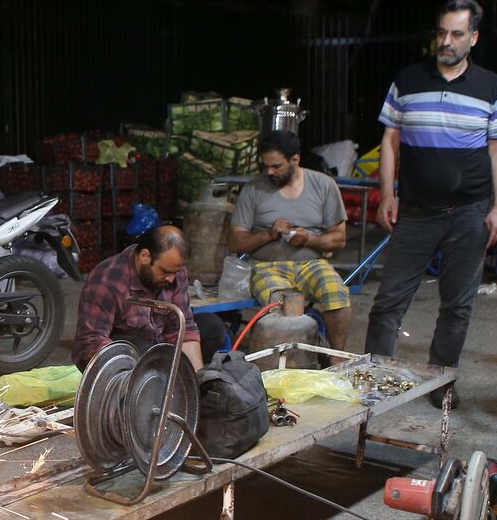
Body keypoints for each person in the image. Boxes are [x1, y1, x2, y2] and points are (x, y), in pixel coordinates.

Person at [365, 0, 497, 408]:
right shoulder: (408, 80)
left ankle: (441, 383)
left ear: (474, 37)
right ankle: (374, 380)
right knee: (388, 303)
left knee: (458, 306)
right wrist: (387, 194)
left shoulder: (490, 86)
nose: (447, 41)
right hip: (415, 213)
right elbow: (390, 142)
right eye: (442, 32)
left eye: (457, 34)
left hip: (470, 214)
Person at [227, 130, 353, 351]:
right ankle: (286, 362)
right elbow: (236, 242)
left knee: (336, 292)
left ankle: (337, 356)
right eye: (265, 166)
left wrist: (310, 239)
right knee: (281, 304)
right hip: (267, 267)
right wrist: (268, 234)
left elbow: (339, 239)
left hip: (312, 265)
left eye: (276, 166)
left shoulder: (324, 185)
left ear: (296, 159)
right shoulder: (253, 189)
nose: (269, 172)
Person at [74, 225, 216, 372]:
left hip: (157, 345)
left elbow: (183, 329)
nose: (171, 278)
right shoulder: (107, 280)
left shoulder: (175, 273)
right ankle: (152, 380)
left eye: (175, 272)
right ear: (145, 257)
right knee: (143, 349)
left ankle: (178, 379)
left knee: (213, 327)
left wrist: (197, 381)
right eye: (165, 271)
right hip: (117, 354)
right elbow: (90, 343)